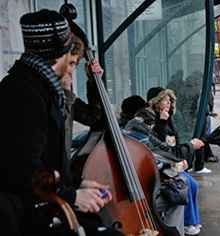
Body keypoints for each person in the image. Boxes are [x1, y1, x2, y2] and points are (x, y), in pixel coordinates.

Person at [0, 9, 123, 236]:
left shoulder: (41, 88)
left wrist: (79, 184)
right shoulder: (24, 94)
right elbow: (23, 176)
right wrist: (74, 196)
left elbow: (49, 166)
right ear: (63, 52)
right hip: (34, 219)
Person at [125, 108, 204, 236]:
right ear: (150, 125)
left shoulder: (125, 131)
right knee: (177, 198)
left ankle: (190, 223)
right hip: (136, 197)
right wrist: (191, 145)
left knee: (188, 184)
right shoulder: (143, 137)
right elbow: (169, 153)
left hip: (131, 193)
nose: (168, 103)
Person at [147, 86, 212, 174]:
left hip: (174, 160)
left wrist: (182, 158)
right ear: (156, 103)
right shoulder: (151, 120)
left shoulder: (170, 117)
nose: (169, 102)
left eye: (170, 99)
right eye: (165, 100)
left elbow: (176, 138)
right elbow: (159, 143)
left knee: (192, 184)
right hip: (163, 165)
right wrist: (162, 122)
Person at [60, 33, 103, 159]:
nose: (68, 71)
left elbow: (92, 117)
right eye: (65, 63)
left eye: (72, 64)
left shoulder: (65, 94)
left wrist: (94, 83)